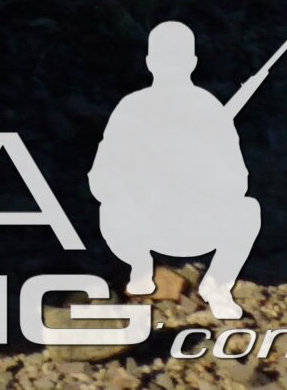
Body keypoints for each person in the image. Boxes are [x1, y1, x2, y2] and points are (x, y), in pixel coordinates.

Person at [93, 18, 265, 321]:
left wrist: (199, 174)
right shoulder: (132, 109)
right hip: (144, 224)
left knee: (248, 210)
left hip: (196, 223)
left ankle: (217, 285)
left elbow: (238, 182)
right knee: (112, 208)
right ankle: (140, 266)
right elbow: (101, 179)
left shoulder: (209, 110)